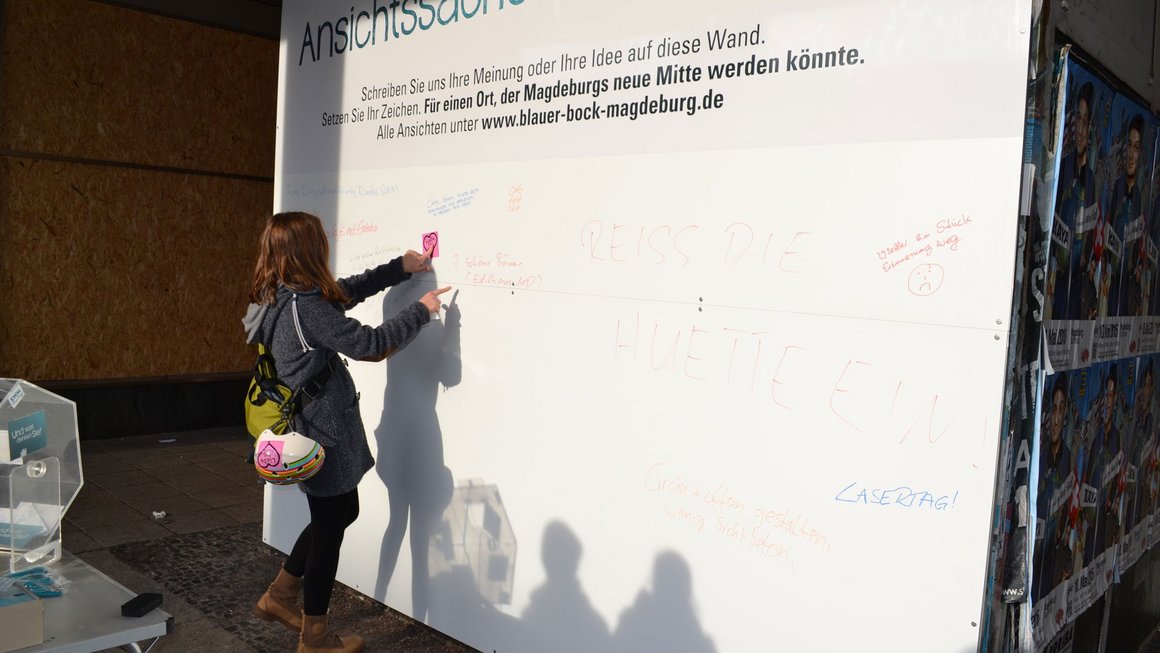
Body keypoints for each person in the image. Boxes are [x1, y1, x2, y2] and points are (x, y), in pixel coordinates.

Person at [242, 211, 450, 653]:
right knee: (330, 530)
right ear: (308, 249)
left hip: (313, 424)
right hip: (324, 432)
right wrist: (421, 311)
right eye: (320, 239)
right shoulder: (307, 308)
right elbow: (369, 345)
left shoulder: (277, 294)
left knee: (337, 514)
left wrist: (398, 269)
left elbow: (343, 292)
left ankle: (280, 595)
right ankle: (315, 636)